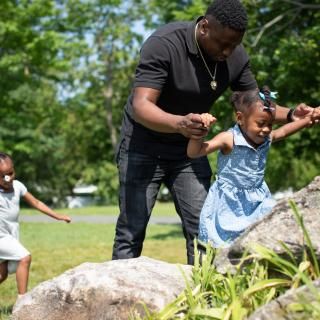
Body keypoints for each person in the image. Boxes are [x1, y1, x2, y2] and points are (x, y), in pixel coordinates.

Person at [112, 0, 316, 265]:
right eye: (223, 44)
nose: (228, 51)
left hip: (190, 150)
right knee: (131, 230)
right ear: (205, 27)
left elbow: (255, 105)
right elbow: (141, 105)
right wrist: (179, 124)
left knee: (204, 228)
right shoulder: (164, 44)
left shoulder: (235, 55)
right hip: (142, 145)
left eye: (234, 45)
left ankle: (205, 297)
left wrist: (291, 115)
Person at [187, 87, 320, 248]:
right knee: (225, 245)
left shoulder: (266, 139)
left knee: (262, 241)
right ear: (240, 118)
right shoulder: (229, 139)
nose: (266, 129)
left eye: (270, 124)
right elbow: (194, 153)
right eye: (261, 123)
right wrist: (199, 133)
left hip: (258, 200)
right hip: (229, 203)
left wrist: (308, 119)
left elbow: (283, 131)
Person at [0, 152, 71, 298]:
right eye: (3, 176)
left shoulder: (18, 186)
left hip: (11, 235)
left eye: (11, 173)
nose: (8, 178)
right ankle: (23, 302)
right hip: (1, 238)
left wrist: (58, 216)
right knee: (24, 258)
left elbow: (37, 203)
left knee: (2, 274)